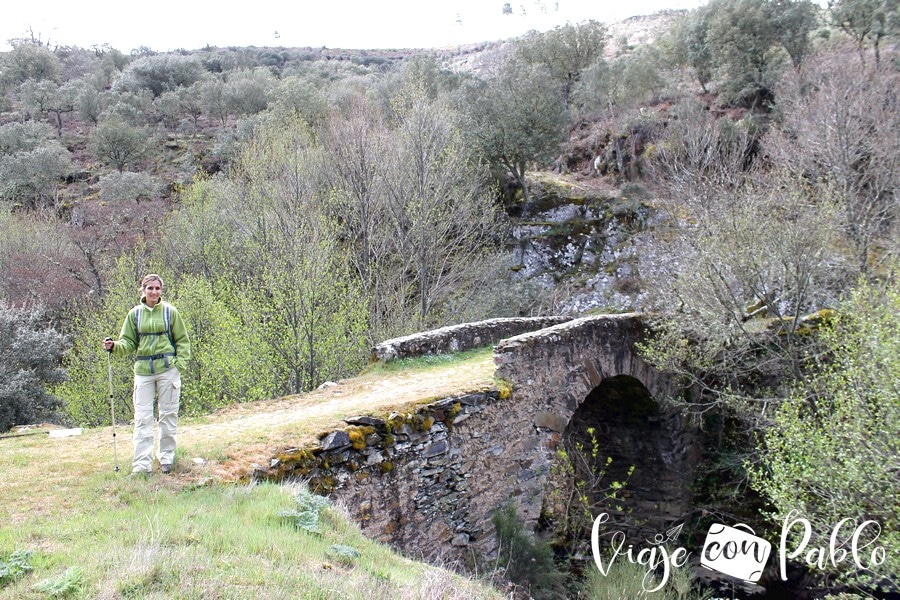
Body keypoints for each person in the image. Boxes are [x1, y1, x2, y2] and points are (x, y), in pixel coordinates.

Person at [104, 274, 190, 476]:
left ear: (161, 290)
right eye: (150, 288)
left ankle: (166, 458)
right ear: (143, 290)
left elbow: (183, 341)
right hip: (143, 372)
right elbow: (128, 343)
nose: (154, 292)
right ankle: (142, 465)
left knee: (168, 415)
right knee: (143, 418)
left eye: (157, 289)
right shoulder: (134, 315)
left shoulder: (170, 312)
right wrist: (114, 346)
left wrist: (180, 365)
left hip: (168, 370)